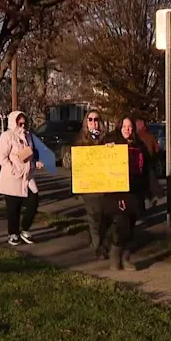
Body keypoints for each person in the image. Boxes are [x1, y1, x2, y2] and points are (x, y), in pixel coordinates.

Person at [99, 116, 151, 271]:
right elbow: (103, 165)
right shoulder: (112, 144)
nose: (128, 129)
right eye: (124, 126)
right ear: (119, 128)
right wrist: (107, 150)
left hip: (134, 191)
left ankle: (126, 258)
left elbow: (146, 169)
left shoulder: (138, 144)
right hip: (116, 193)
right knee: (122, 226)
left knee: (132, 225)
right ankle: (115, 255)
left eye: (130, 127)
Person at [0, 111, 43, 245]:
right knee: (13, 207)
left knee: (33, 201)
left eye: (24, 123)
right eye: (20, 123)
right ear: (14, 123)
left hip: (27, 176)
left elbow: (29, 155)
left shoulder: (28, 136)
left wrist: (35, 163)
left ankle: (25, 229)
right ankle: (13, 233)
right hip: (12, 177)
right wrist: (12, 168)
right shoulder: (7, 136)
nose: (23, 126)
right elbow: (1, 157)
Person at [74, 109, 107, 255]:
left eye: (96, 119)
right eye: (91, 119)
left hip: (105, 186)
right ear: (86, 123)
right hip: (89, 187)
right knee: (94, 216)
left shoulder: (105, 139)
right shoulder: (81, 141)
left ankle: (99, 241)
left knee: (104, 217)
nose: (94, 123)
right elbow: (78, 163)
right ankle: (97, 246)